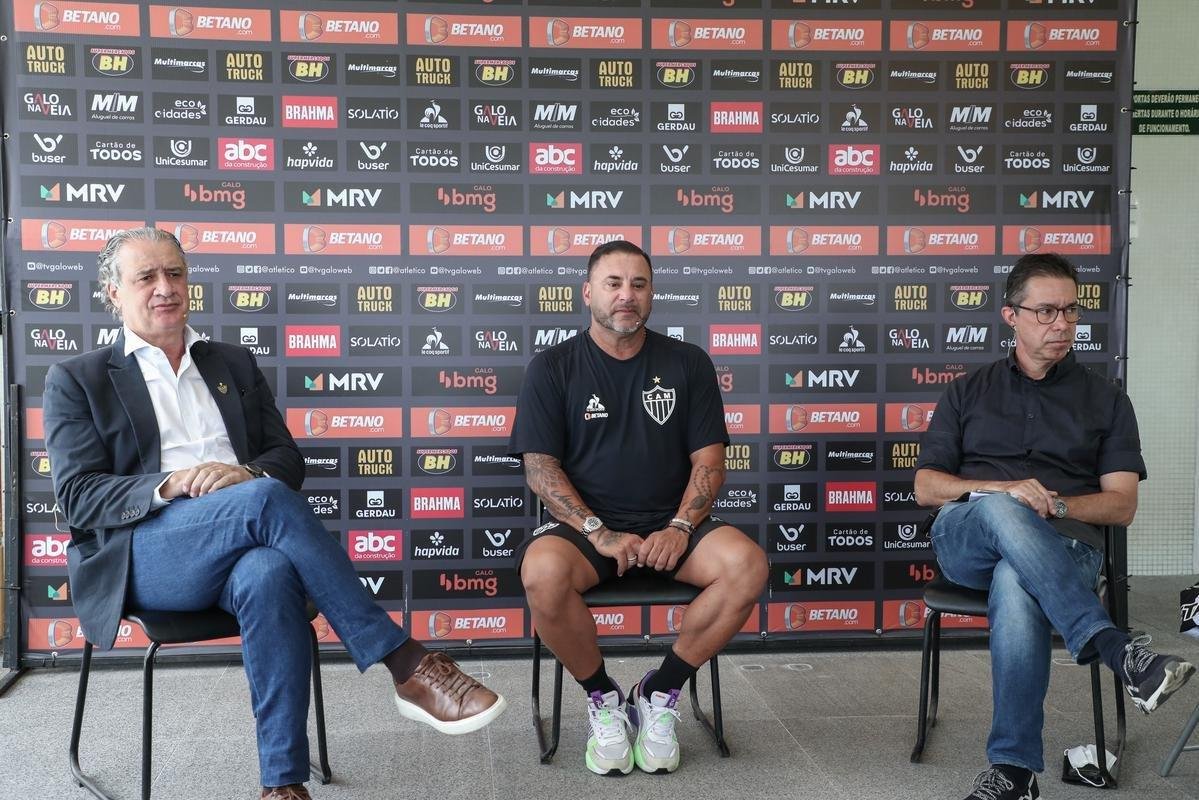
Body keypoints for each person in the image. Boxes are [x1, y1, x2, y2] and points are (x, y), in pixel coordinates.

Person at [43, 228, 506, 800]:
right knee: (263, 501)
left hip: (240, 538)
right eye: (146, 278)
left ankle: (282, 784)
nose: (166, 288)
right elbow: (81, 496)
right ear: (113, 293)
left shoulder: (230, 363)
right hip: (146, 552)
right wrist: (171, 484)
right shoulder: (78, 379)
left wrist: (246, 475)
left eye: (176, 274)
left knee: (269, 572)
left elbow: (286, 457)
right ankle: (404, 661)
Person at [914, 252, 1194, 800]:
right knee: (1001, 506)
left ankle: (1014, 773)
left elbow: (1120, 506)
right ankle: (1114, 647)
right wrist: (1004, 492)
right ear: (1010, 315)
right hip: (967, 540)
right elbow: (926, 486)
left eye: (1070, 310)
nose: (1061, 323)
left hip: (1067, 548)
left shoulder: (1108, 400)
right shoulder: (967, 392)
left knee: (1016, 583)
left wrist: (1056, 507)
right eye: (1045, 311)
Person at [509, 240, 768, 776]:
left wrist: (680, 525)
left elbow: (710, 463)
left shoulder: (688, 362)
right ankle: (604, 699)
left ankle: (659, 691)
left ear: (651, 295)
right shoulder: (552, 367)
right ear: (587, 294)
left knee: (747, 566)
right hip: (587, 531)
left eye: (639, 284)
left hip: (674, 525)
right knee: (541, 574)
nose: (627, 295)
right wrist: (597, 531)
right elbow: (541, 470)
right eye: (613, 283)